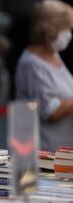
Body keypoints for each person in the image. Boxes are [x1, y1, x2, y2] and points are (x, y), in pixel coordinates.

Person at [15, 0, 73, 151]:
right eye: (65, 28)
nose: (68, 34)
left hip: (60, 154)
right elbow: (51, 112)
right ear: (49, 29)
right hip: (41, 156)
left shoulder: (54, 55)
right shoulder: (31, 63)